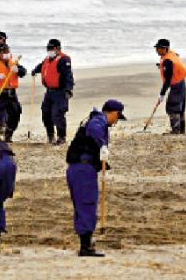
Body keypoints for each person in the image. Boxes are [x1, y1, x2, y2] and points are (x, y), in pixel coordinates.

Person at [65, 99, 126, 257]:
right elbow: (94, 129)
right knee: (87, 204)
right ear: (113, 112)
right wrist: (102, 145)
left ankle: (86, 243)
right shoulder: (98, 121)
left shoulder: (94, 119)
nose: (117, 121)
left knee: (82, 205)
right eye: (118, 117)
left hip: (79, 168)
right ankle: (85, 247)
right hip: (83, 169)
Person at [31, 39, 74, 144]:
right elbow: (42, 66)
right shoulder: (47, 59)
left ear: (58, 49)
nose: (49, 50)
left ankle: (61, 137)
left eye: (52, 48)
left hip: (61, 92)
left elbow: (68, 76)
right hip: (49, 92)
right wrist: (35, 70)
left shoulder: (64, 60)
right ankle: (50, 136)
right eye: (48, 48)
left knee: (58, 114)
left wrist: (69, 89)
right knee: (46, 113)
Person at [0, 44, 26, 140]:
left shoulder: (14, 63)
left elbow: (23, 72)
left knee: (16, 112)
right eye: (4, 52)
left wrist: (18, 70)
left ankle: (9, 133)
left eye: (7, 52)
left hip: (11, 93)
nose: (6, 54)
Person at [154, 39, 186, 134]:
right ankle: (181, 131)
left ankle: (176, 130)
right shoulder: (171, 54)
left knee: (172, 107)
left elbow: (167, 80)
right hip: (182, 83)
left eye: (159, 48)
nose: (157, 50)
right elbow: (175, 60)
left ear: (165, 49)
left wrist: (162, 94)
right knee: (180, 108)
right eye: (157, 48)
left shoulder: (168, 61)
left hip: (177, 85)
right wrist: (162, 66)